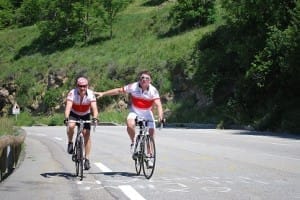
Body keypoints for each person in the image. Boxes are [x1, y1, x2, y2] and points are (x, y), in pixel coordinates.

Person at [94, 70, 164, 167]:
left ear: (150, 81)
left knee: (151, 134)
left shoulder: (153, 91)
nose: (144, 80)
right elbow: (118, 90)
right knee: (129, 123)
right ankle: (133, 142)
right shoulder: (133, 86)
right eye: (142, 78)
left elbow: (159, 105)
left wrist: (161, 116)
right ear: (139, 79)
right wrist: (103, 93)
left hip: (147, 113)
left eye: (147, 78)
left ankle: (149, 157)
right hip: (135, 111)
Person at [64, 76, 98, 170]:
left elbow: (95, 109)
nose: (82, 88)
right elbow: (68, 107)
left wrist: (95, 118)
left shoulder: (91, 94)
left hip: (85, 114)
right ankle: (70, 142)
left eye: (84, 86)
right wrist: (67, 118)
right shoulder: (72, 93)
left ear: (87, 86)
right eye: (80, 86)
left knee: (86, 134)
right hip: (74, 114)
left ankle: (87, 159)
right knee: (71, 126)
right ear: (77, 86)